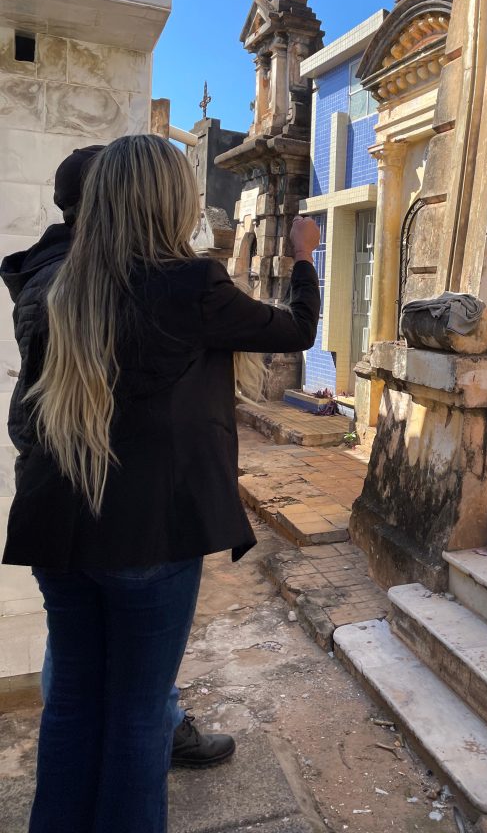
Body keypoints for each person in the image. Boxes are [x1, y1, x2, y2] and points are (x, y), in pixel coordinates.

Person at [1, 134, 321, 833]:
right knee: (139, 721)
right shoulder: (190, 286)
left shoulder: (46, 278)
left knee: (73, 709)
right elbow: (296, 331)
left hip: (59, 529)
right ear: (170, 201)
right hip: (149, 536)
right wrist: (302, 257)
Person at [1, 144, 236, 769]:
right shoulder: (138, 284)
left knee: (76, 691)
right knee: (134, 704)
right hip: (134, 523)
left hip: (55, 512)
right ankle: (164, 728)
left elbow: (35, 410)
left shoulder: (45, 274)